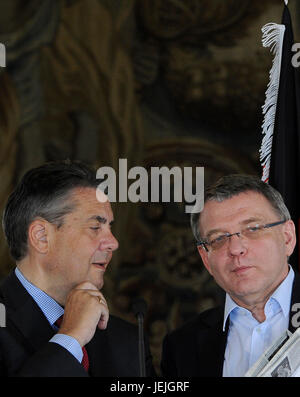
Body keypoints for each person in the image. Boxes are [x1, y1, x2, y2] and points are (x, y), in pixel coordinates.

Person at [0, 160, 155, 377]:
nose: (113, 242)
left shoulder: (127, 340)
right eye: (95, 227)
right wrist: (71, 338)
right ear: (42, 237)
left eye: (109, 227)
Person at [161, 174, 300, 377]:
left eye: (252, 229)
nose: (235, 248)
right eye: (218, 239)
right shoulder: (182, 347)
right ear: (205, 258)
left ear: (287, 237)